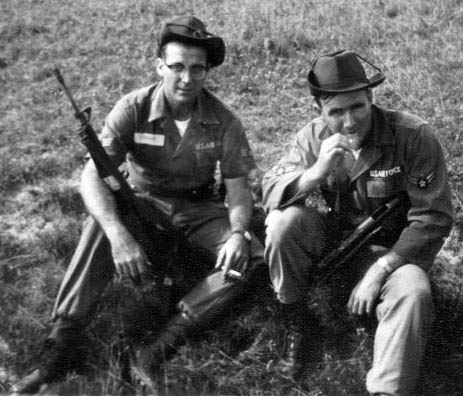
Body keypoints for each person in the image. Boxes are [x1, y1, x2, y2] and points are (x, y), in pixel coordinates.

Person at [11, 15, 264, 394]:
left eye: (197, 69)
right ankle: (60, 346)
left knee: (253, 256)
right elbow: (92, 175)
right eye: (177, 66)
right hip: (143, 202)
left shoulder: (224, 120)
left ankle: (163, 341)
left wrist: (239, 232)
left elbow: (238, 187)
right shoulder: (133, 107)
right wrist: (118, 235)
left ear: (207, 72)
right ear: (159, 65)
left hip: (199, 208)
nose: (186, 78)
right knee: (99, 222)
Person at [262, 50, 453, 396]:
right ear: (319, 110)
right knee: (282, 224)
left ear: (371, 98)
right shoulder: (312, 137)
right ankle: (298, 321)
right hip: (335, 239)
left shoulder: (412, 136)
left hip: (393, 251)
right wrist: (315, 173)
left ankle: (387, 389)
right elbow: (271, 188)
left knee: (413, 292)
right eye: (336, 112)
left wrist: (380, 269)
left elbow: (433, 217)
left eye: (357, 107)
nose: (349, 122)